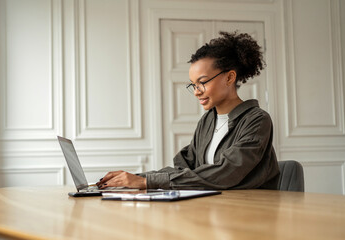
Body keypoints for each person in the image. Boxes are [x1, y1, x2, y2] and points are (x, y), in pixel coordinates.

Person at [97, 31, 280, 190]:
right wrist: (135, 178)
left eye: (202, 82)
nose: (196, 91)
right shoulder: (208, 120)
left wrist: (146, 181)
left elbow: (226, 172)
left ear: (230, 77)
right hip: (215, 206)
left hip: (252, 211)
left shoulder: (257, 120)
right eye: (193, 85)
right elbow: (183, 168)